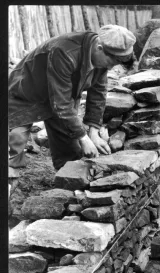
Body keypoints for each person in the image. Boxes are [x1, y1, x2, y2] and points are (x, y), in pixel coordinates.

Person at [8, 25, 136, 170]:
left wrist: (93, 132)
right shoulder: (64, 51)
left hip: (62, 96)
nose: (111, 68)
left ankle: (66, 183)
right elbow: (61, 104)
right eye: (111, 63)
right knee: (15, 144)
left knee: (71, 153)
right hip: (26, 94)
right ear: (99, 48)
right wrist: (84, 137)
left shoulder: (101, 56)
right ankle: (10, 183)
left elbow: (98, 93)